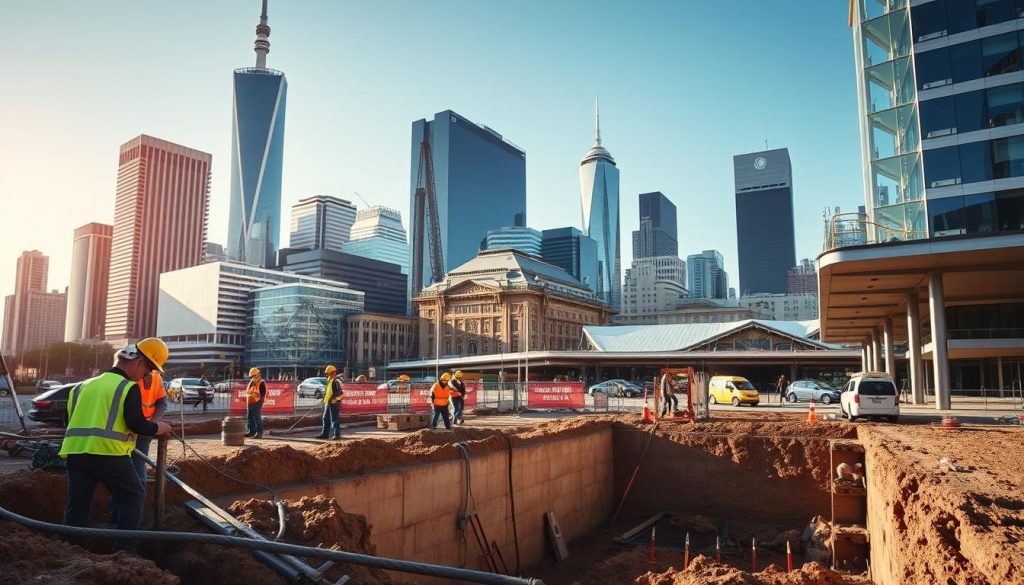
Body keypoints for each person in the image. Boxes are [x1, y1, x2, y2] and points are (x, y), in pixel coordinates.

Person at [60, 338, 173, 552]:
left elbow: (72, 420)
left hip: (75, 455)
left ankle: (71, 552)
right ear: (137, 362)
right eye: (148, 369)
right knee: (133, 496)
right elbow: (137, 424)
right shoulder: (127, 387)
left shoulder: (81, 386)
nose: (146, 375)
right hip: (108, 454)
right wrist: (159, 427)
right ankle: (124, 552)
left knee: (77, 505)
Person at [109, 369, 166, 523]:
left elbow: (162, 402)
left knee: (138, 475)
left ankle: (134, 522)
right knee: (119, 474)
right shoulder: (125, 375)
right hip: (122, 430)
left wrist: (153, 423)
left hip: (143, 432)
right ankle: (118, 517)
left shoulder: (155, 378)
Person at [316, 365, 343, 440]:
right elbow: (328, 391)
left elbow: (339, 392)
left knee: (334, 418)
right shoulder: (329, 380)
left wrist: (332, 398)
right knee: (325, 418)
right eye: (327, 373)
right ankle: (325, 433)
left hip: (334, 402)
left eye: (329, 373)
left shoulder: (336, 381)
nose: (327, 375)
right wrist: (324, 398)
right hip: (327, 402)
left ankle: (337, 434)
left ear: (333, 373)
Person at [245, 367, 266, 438]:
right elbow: (248, 391)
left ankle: (259, 433)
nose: (253, 377)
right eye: (252, 376)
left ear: (258, 374)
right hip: (250, 401)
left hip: (257, 402)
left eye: (254, 375)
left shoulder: (261, 382)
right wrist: (251, 383)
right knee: (250, 417)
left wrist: (261, 400)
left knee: (257, 417)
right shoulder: (252, 382)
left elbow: (263, 392)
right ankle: (251, 431)